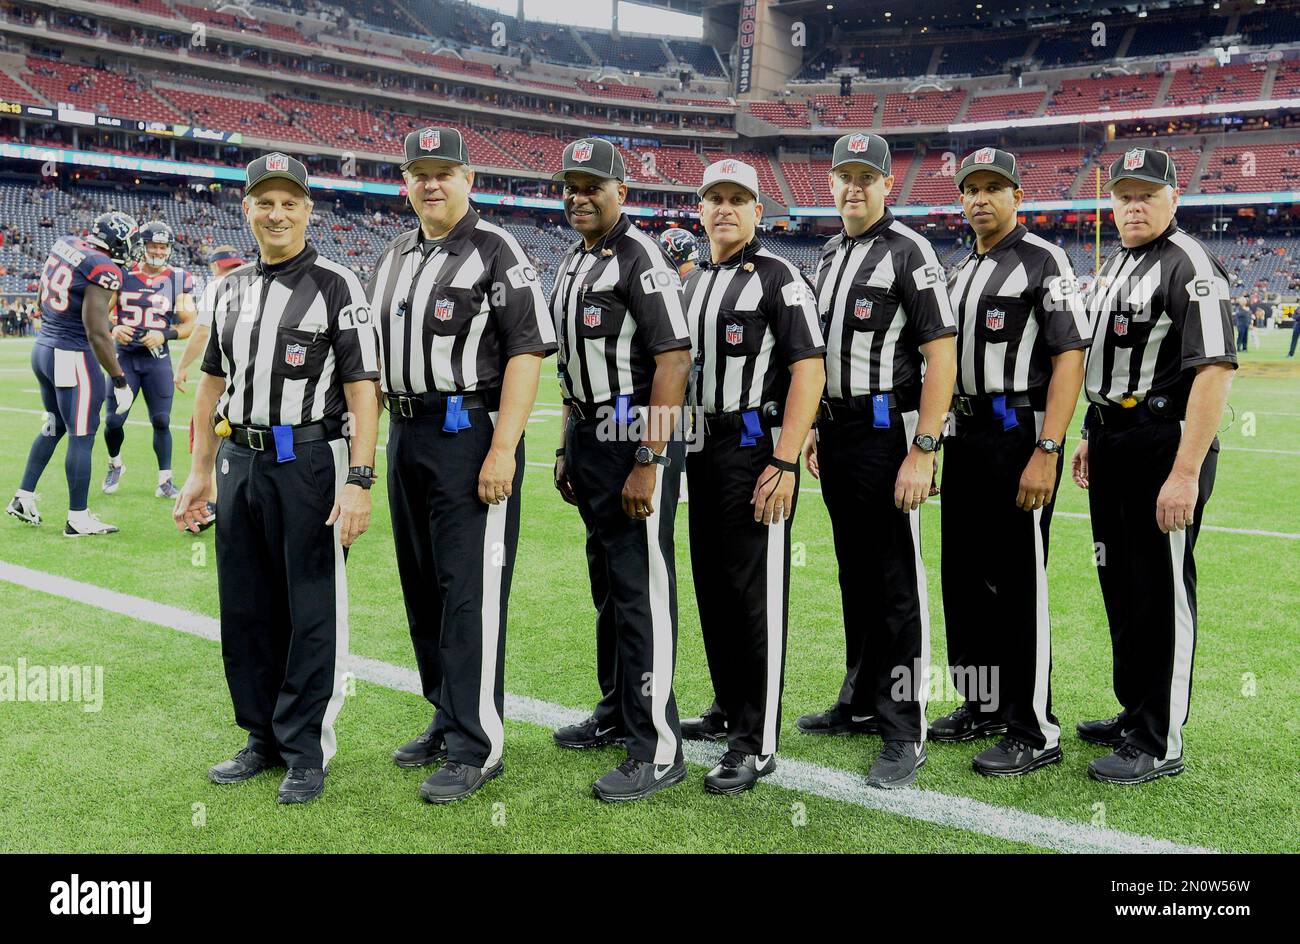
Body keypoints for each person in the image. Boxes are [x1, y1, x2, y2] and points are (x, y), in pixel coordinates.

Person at [172, 152, 380, 805]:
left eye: (290, 201)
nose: (277, 212)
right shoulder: (228, 287)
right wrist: (200, 471)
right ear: (248, 209)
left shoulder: (338, 283)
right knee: (246, 608)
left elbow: (362, 389)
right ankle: (260, 736)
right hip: (240, 460)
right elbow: (211, 384)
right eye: (265, 201)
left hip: (311, 460)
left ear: (308, 210)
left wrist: (361, 478)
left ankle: (305, 748)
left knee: (310, 608)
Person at [368, 127, 555, 803]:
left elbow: (527, 353)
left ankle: (478, 743)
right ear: (405, 182)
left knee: (470, 589)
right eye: (419, 172)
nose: (431, 183)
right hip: (408, 434)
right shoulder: (392, 254)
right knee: (424, 585)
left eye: (444, 172)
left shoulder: (497, 249)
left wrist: (503, 447)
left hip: (468, 432)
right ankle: (446, 716)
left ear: (468, 178)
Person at [1070, 146, 1236, 784]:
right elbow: (1108, 362)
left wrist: (1186, 471)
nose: (1133, 205)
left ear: (1173, 198)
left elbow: (1214, 370)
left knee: (1160, 590)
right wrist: (1092, 427)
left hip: (1163, 442)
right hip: (1115, 439)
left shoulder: (1188, 262)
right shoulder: (1118, 261)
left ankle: (1159, 738)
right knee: (1123, 587)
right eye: (1123, 195)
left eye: (1146, 193)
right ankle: (1134, 710)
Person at [798, 132, 958, 789]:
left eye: (867, 176)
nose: (854, 186)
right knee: (855, 575)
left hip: (888, 433)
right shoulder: (831, 252)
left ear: (888, 184)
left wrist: (924, 447)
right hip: (837, 435)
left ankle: (904, 727)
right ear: (830, 184)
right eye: (844, 175)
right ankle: (861, 699)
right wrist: (812, 427)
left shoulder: (909, 251)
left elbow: (940, 355)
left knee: (895, 583)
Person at [549, 138, 694, 802]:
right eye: (571, 186)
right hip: (588, 432)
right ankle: (618, 710)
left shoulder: (642, 258)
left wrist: (649, 458)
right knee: (609, 584)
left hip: (631, 436)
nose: (580, 196)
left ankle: (658, 746)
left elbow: (672, 360)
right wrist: (563, 445)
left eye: (593, 186)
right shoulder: (574, 260)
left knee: (642, 591)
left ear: (622, 192)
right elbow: (569, 367)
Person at [935, 147, 1088, 775]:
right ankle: (984, 702)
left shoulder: (1044, 260)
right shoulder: (956, 268)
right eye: (971, 189)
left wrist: (1047, 448)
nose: (980, 199)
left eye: (994, 188)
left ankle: (1035, 725)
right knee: (965, 577)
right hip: (965, 437)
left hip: (1015, 434)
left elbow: (1069, 358)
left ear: (1017, 196)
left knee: (1020, 580)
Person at [676, 159, 825, 794]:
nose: (726, 209)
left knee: (753, 597)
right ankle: (728, 706)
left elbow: (808, 371)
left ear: (758, 211)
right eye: (716, 199)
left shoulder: (779, 277)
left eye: (740, 199)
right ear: (701, 209)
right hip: (700, 450)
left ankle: (756, 741)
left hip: (751, 447)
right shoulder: (691, 281)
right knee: (711, 585)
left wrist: (785, 459)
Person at [6, 212, 140, 535]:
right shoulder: (104, 268)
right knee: (82, 434)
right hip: (71, 355)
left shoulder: (65, 243)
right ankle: (77, 518)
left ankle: (23, 497)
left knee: (54, 425)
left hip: (43, 348)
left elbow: (43, 299)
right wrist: (120, 379)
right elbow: (96, 332)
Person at [101, 221, 197, 499]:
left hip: (157, 359)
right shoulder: (122, 275)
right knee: (114, 421)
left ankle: (165, 480)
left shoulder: (177, 279)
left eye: (163, 246)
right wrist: (114, 328)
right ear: (142, 247)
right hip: (125, 358)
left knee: (161, 421)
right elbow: (100, 313)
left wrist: (164, 334)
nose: (158, 250)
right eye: (153, 245)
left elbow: (190, 322)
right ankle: (115, 463)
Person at [173, 245, 247, 531]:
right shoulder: (261, 279)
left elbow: (202, 330)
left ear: (216, 266)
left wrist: (181, 367)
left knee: (208, 432)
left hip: (224, 375)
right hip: (255, 377)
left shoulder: (219, 285)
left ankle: (213, 501)